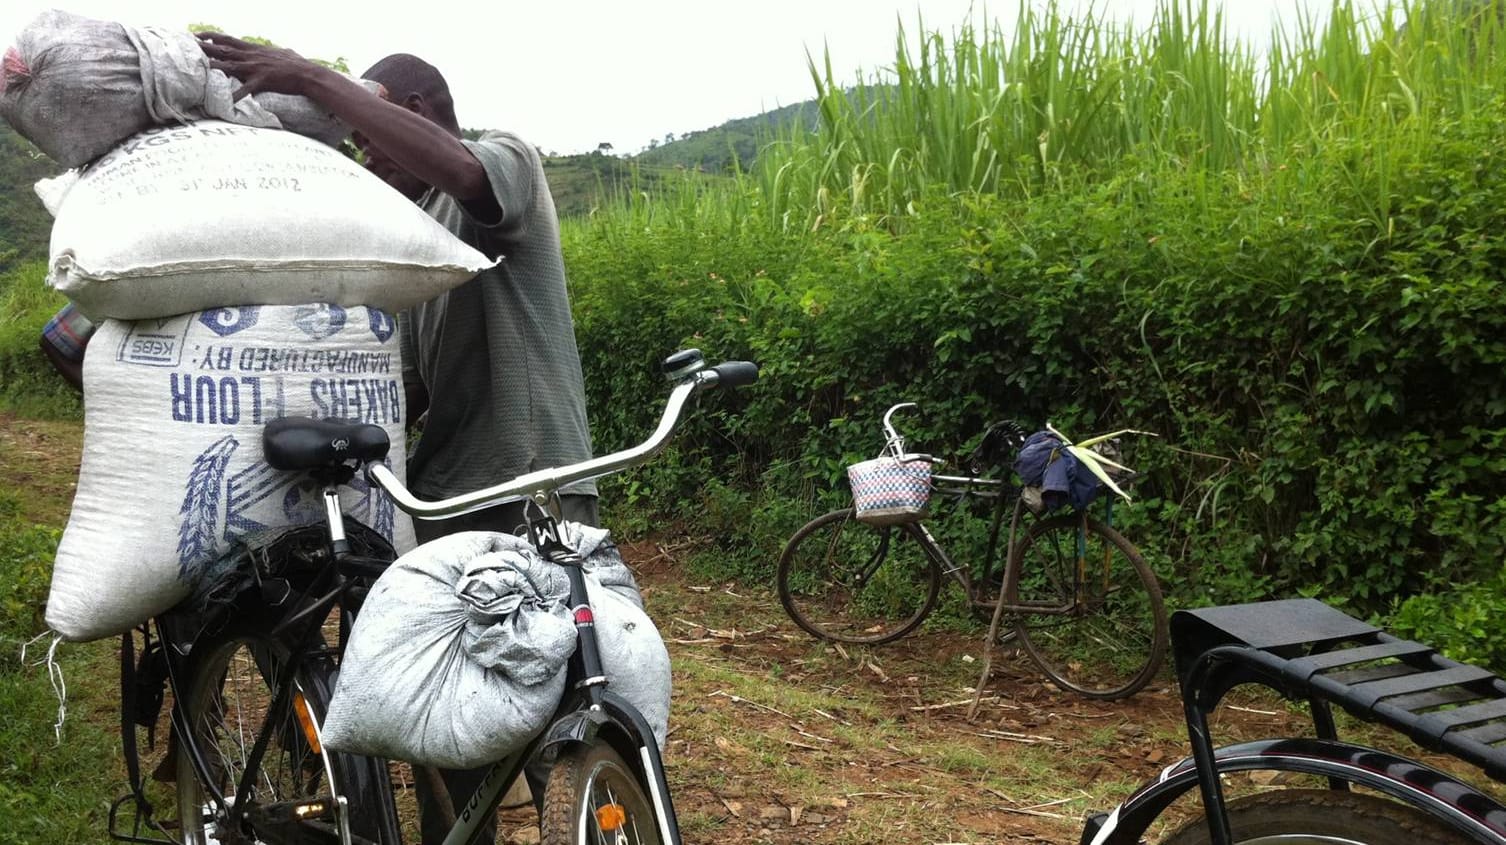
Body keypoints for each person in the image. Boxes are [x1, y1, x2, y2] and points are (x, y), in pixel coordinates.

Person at [195, 34, 600, 844]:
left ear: (413, 113)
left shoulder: (501, 166)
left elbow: (466, 173)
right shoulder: (414, 253)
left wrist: (312, 78)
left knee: (559, 726)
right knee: (449, 739)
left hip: (533, 493)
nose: (366, 163)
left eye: (368, 142)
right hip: (444, 511)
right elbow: (408, 394)